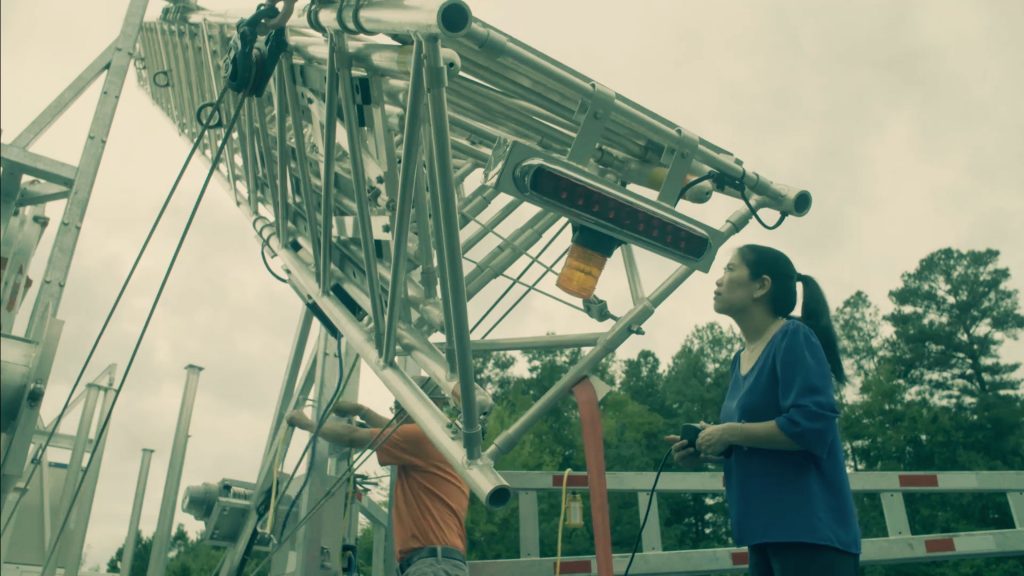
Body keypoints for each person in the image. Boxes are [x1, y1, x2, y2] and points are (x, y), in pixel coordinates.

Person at [667, 245, 861, 576]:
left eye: (729, 270)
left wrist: (728, 432)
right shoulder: (738, 360)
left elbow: (810, 426)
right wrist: (710, 448)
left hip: (809, 533)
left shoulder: (793, 337)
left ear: (761, 286)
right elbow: (760, 440)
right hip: (763, 534)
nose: (718, 281)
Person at [286, 376, 470, 576]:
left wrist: (306, 423)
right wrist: (361, 411)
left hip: (432, 565)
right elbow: (393, 430)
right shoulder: (440, 438)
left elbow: (351, 436)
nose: (396, 415)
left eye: (400, 406)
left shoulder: (422, 437)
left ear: (423, 405)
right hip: (435, 563)